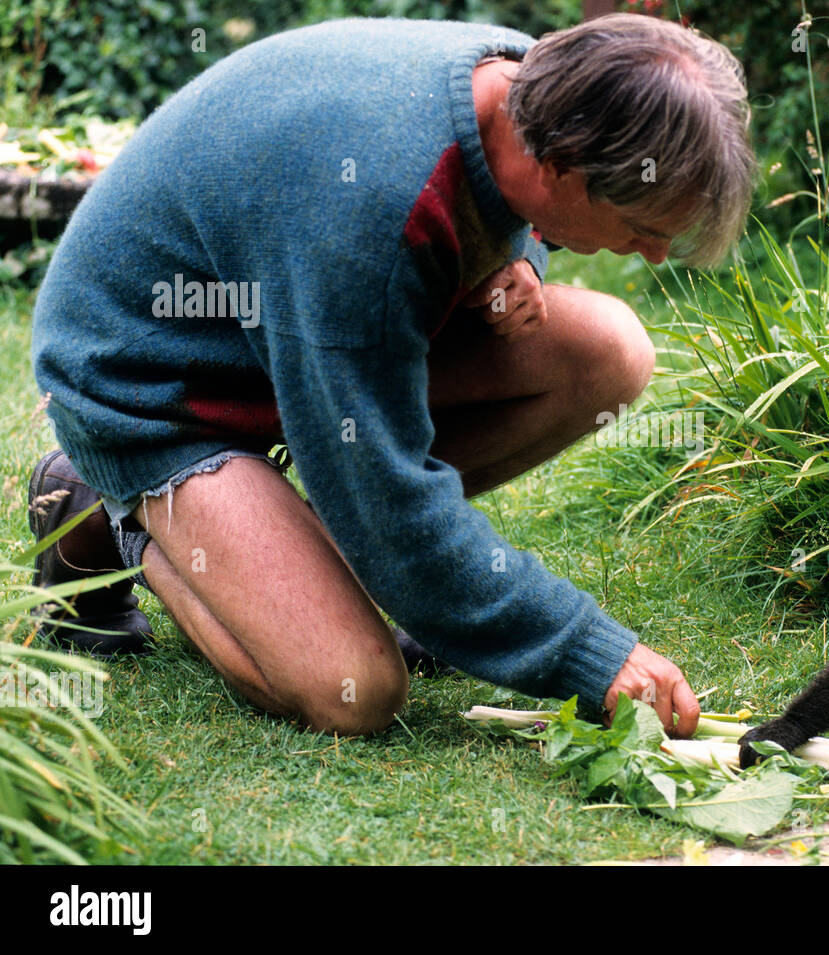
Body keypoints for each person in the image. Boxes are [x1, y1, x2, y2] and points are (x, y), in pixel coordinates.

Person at [27, 13, 755, 738]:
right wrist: (591, 654)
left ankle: (278, 547)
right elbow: (388, 501)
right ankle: (112, 511)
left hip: (282, 343)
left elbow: (510, 208)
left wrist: (518, 258)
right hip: (147, 383)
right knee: (354, 689)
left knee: (608, 348)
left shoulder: (546, 84)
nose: (655, 254)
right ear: (560, 168)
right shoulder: (371, 209)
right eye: (644, 228)